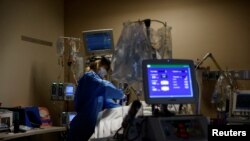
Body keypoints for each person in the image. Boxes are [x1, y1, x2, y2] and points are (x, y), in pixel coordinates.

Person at [67, 56, 124, 141]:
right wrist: (121, 94)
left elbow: (108, 102)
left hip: (90, 129)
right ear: (100, 66)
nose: (105, 73)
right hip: (80, 128)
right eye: (105, 69)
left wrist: (125, 110)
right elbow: (105, 87)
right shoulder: (89, 78)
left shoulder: (98, 88)